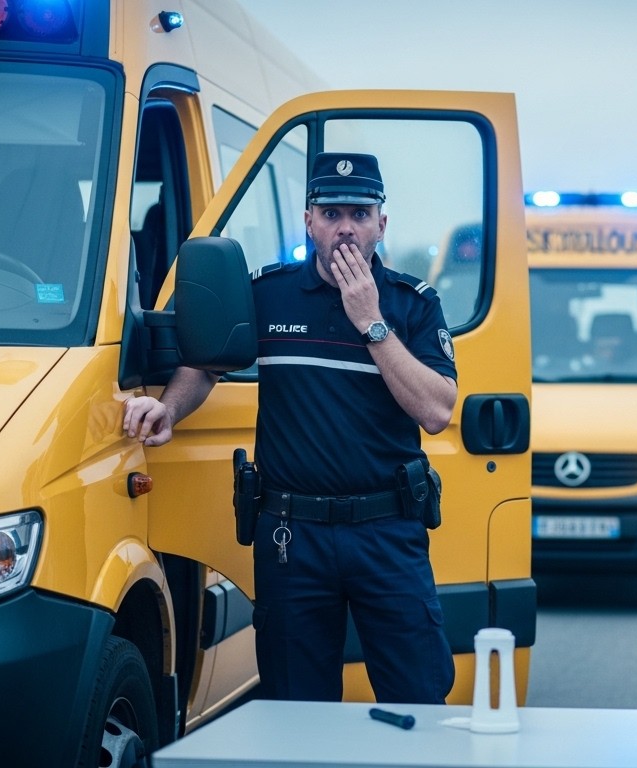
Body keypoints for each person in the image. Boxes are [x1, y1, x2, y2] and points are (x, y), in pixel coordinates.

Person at [123, 152, 458, 704]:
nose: (345, 226)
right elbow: (207, 362)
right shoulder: (268, 291)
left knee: (418, 696)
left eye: (359, 211)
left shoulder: (411, 304)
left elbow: (437, 410)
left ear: (381, 223)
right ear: (309, 221)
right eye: (330, 212)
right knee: (296, 704)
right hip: (291, 537)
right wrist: (168, 408)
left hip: (387, 533)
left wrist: (371, 322)